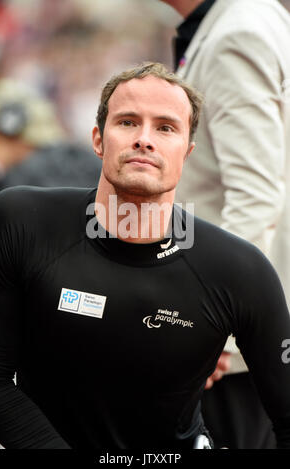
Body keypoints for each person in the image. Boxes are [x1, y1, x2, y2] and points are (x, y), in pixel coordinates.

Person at [0, 62, 290, 451]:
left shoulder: (239, 269)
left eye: (165, 128)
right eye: (128, 122)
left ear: (188, 152)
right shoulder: (22, 221)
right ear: (98, 139)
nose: (144, 139)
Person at [160, 0, 290, 448]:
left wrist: (221, 331)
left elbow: (257, 194)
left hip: (235, 351)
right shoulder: (248, 17)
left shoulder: (239, 31)